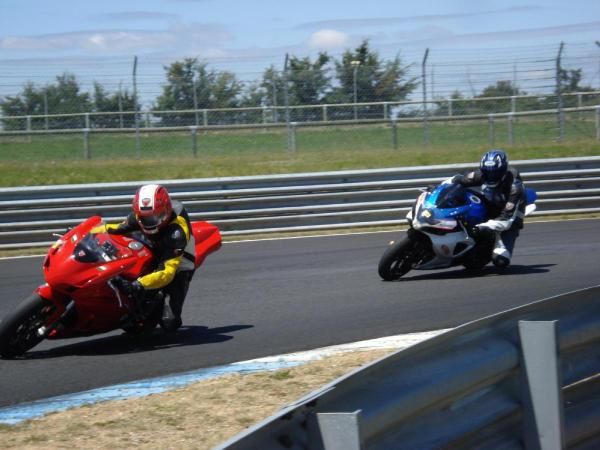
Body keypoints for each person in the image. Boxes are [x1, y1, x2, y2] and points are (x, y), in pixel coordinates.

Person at [94, 184, 196, 331]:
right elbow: (113, 228)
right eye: (145, 218)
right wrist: (86, 233)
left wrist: (138, 284)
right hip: (154, 247)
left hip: (178, 260)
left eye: (155, 217)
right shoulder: (138, 217)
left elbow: (167, 273)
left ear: (165, 211)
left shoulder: (177, 233)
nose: (150, 222)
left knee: (170, 322)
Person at [451, 149, 526, 268]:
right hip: (491, 205)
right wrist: (439, 188)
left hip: (511, 217)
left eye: (495, 173)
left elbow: (506, 220)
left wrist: (481, 228)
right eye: (487, 172)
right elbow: (456, 180)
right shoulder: (480, 175)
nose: (491, 176)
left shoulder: (514, 187)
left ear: (503, 170)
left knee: (501, 261)